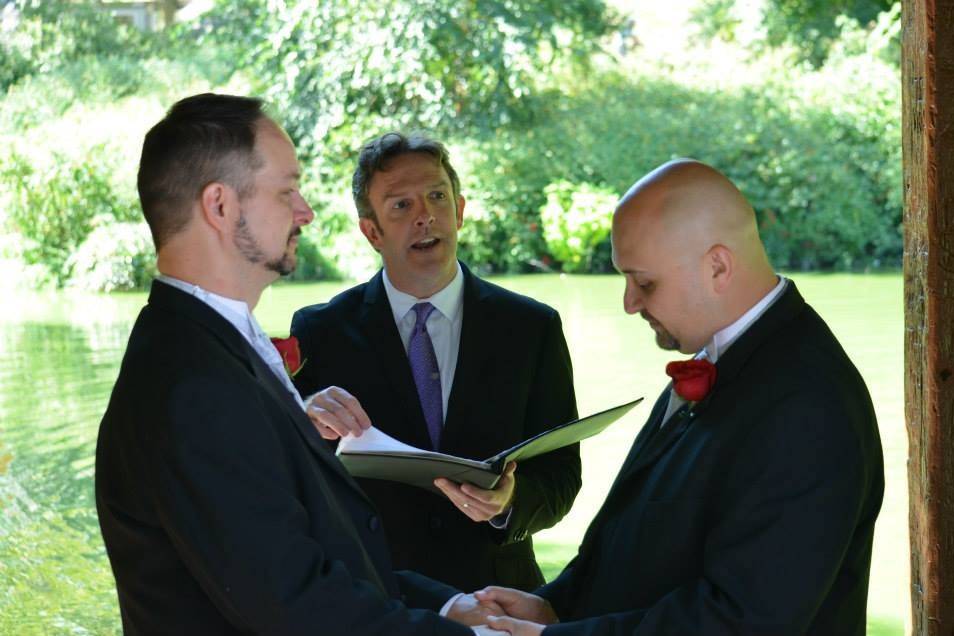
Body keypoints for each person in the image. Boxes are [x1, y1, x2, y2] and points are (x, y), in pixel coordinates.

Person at [95, 93, 501, 635]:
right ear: (221, 207)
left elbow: (313, 548)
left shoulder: (213, 345)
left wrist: (447, 605)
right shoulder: (190, 386)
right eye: (287, 190)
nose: (306, 210)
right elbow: (294, 606)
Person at [476, 159, 885, 635]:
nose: (629, 303)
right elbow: (630, 538)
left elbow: (742, 619)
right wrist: (556, 607)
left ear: (717, 266)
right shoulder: (720, 357)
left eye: (645, 282)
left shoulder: (810, 404)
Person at [290, 132, 582, 592]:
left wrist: (510, 502)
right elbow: (295, 482)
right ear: (371, 232)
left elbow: (563, 476)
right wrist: (303, 420)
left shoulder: (532, 327)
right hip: (376, 604)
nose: (425, 216)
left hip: (499, 603)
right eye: (401, 206)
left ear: (460, 210)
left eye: (436, 196)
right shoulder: (318, 332)